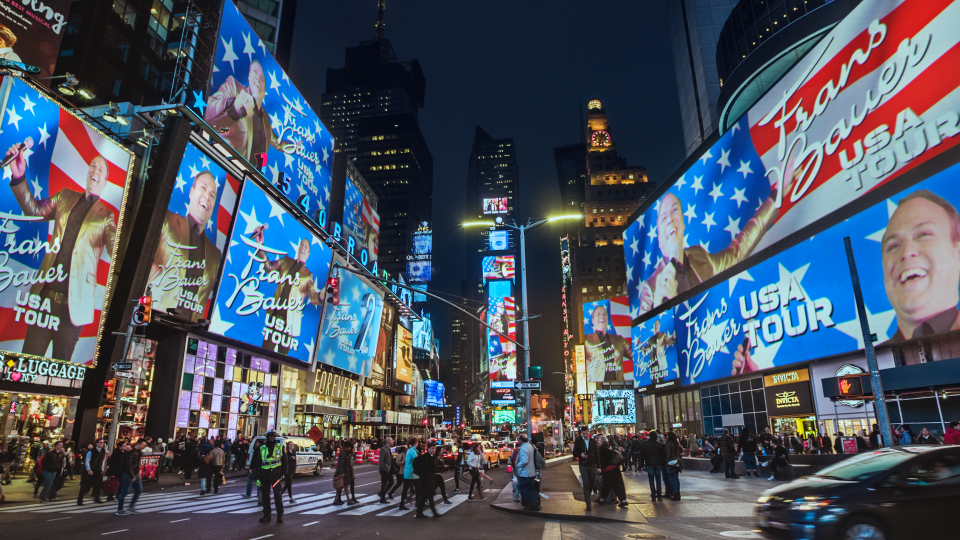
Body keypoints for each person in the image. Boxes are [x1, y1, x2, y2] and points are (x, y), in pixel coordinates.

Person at [4, 147, 118, 362]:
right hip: (45, 299)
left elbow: (115, 250)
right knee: (25, 365)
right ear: (87, 173)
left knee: (58, 374)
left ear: (105, 182)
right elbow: (35, 211)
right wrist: (18, 176)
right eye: (92, 165)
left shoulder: (106, 217)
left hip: (71, 312)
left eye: (101, 169)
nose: (95, 170)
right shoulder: (65, 196)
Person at [639, 188, 780, 316]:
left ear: (682, 223)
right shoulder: (650, 289)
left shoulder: (700, 256)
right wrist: (659, 306)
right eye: (664, 218)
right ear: (659, 239)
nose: (670, 219)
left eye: (674, 210)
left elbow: (737, 253)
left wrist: (777, 195)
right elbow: (646, 340)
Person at [881, 190, 960, 342]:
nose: (906, 252)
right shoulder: (868, 364)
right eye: (893, 246)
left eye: (923, 235)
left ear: (957, 252)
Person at [148, 171, 222, 319]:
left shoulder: (216, 256)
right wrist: (141, 321)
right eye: (203, 188)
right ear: (191, 192)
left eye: (212, 195)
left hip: (185, 334)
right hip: (151, 322)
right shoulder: (167, 221)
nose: (207, 196)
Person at [250, 227, 322, 355]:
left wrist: (322, 295)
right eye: (301, 245)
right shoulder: (285, 261)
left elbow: (313, 297)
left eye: (306, 246)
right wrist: (260, 245)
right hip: (275, 317)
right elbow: (268, 267)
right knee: (264, 354)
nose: (302, 247)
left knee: (281, 361)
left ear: (308, 254)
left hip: (290, 324)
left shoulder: (308, 275)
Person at [205, 61, 277, 162]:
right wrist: (231, 105)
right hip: (222, 162)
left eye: (262, 79)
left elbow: (277, 141)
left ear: (264, 89)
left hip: (251, 176)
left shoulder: (266, 118)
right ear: (248, 76)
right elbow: (205, 109)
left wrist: (297, 147)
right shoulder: (234, 87)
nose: (258, 79)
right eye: (255, 72)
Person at [584, 304, 631, 382]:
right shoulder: (586, 340)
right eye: (598, 314)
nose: (602, 316)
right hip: (596, 388)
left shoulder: (619, 339)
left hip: (618, 389)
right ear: (593, 320)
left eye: (604, 314)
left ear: (607, 319)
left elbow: (635, 355)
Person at [251, 430, 287, 523]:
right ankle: (267, 515)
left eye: (273, 436)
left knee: (277, 495)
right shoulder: (261, 448)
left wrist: (283, 473)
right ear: (267, 437)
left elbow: (285, 461)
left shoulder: (280, 447)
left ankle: (280, 515)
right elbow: (256, 461)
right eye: (270, 436)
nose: (271, 437)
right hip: (264, 475)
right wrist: (256, 474)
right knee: (265, 496)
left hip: (276, 475)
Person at [116, 439, 145, 515]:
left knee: (139, 490)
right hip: (130, 474)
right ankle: (120, 509)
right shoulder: (131, 453)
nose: (143, 446)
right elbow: (128, 465)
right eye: (142, 445)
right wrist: (131, 475)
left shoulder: (137, 452)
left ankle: (131, 506)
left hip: (135, 474)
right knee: (124, 492)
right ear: (138, 444)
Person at [597, 436, 628, 507]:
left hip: (608, 469)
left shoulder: (601, 449)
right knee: (619, 485)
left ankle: (602, 499)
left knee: (606, 485)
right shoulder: (611, 447)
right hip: (616, 468)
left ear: (601, 442)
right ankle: (623, 500)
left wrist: (600, 468)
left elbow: (601, 461)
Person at [573, 428, 599, 509]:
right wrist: (581, 455)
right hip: (583, 465)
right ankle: (588, 502)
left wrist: (599, 466)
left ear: (589, 433)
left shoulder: (593, 442)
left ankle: (588, 498)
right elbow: (574, 453)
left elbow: (597, 454)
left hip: (592, 465)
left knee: (591, 483)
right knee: (586, 483)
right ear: (581, 433)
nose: (585, 435)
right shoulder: (578, 441)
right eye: (584, 433)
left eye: (586, 433)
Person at [413, 441, 440, 518]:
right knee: (430, 496)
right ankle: (434, 512)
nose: (434, 450)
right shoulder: (424, 457)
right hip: (425, 480)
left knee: (423, 497)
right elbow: (421, 468)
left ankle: (419, 513)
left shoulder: (434, 457)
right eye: (432, 448)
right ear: (428, 449)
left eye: (434, 448)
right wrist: (424, 475)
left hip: (430, 479)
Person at [515, 434, 541, 511]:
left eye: (518, 439)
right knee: (532, 489)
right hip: (532, 472)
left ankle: (526, 505)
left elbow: (524, 460)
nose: (518, 441)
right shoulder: (531, 446)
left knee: (523, 488)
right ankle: (535, 505)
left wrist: (518, 466)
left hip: (525, 473)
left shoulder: (523, 448)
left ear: (521, 440)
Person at [77, 438, 107, 505]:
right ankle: (79, 499)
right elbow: (87, 461)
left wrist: (102, 469)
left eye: (102, 442)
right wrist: (89, 469)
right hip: (90, 470)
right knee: (85, 485)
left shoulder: (103, 451)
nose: (102, 444)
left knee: (99, 485)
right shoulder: (91, 451)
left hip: (98, 470)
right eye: (100, 442)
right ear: (96, 443)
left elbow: (103, 461)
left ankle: (97, 498)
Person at [640, 429, 666, 500]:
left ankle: (653, 495)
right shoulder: (659, 444)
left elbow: (642, 454)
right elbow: (663, 454)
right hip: (658, 464)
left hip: (649, 463)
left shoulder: (645, 444)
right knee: (658, 479)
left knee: (651, 479)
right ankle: (659, 495)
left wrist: (643, 462)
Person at [399, 438, 419, 510]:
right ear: (415, 443)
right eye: (417, 442)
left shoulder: (410, 450)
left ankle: (402, 504)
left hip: (408, 472)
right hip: (412, 472)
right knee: (417, 488)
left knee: (406, 489)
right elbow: (416, 460)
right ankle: (417, 503)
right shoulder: (412, 451)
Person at [663, 432, 682, 501]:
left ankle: (674, 493)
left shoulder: (669, 443)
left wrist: (666, 462)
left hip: (670, 462)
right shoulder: (676, 443)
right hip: (676, 462)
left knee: (672, 479)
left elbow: (668, 453)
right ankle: (678, 493)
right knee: (676, 478)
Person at [378, 437, 395, 503]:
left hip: (389, 469)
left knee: (391, 482)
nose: (393, 441)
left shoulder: (388, 449)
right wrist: (384, 468)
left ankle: (382, 493)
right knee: (384, 483)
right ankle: (382, 497)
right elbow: (381, 460)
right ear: (388, 442)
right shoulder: (384, 449)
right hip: (385, 469)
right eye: (391, 440)